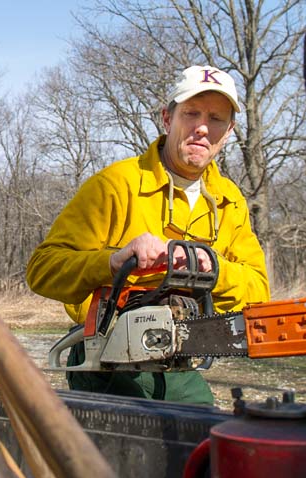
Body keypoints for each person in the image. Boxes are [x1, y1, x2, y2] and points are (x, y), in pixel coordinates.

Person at [26, 65, 270, 405]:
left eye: (216, 119)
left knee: (198, 441)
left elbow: (259, 293)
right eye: (192, 113)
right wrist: (112, 262)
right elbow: (43, 269)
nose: (202, 127)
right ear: (167, 119)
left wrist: (212, 268)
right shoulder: (116, 185)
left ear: (228, 132)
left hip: (180, 362)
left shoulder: (230, 200)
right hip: (109, 363)